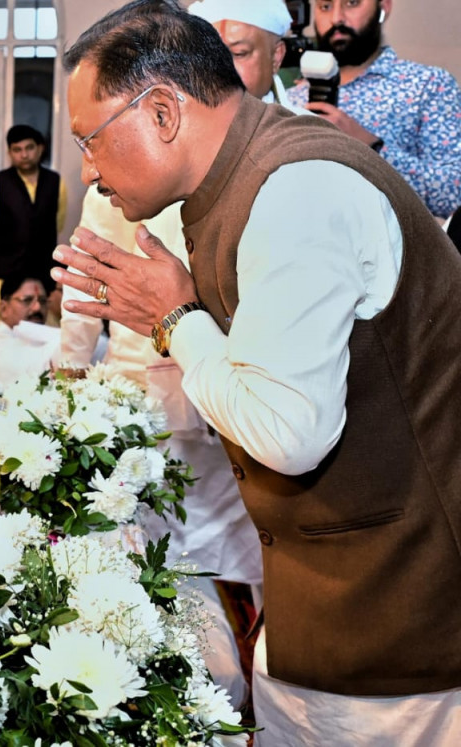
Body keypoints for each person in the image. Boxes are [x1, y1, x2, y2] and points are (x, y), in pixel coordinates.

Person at [55, 2, 461, 743]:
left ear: (163, 112)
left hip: (398, 625)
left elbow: (289, 433)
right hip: (324, 597)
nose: (87, 168)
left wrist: (175, 319)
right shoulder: (248, 173)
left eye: (91, 139)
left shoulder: (296, 189)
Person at [62, 189, 260, 708]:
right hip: (138, 386)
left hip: (216, 372)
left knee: (215, 529)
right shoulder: (108, 186)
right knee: (157, 533)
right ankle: (190, 678)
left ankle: (232, 670)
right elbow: (83, 277)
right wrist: (72, 370)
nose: (91, 171)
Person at [286, 0, 461, 218]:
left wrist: (372, 148)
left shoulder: (428, 84)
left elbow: (453, 194)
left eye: (352, 3)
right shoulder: (291, 98)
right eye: (325, 6)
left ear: (383, 7)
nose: (337, 18)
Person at [0, 124, 67, 294]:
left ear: (40, 149)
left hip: (44, 268)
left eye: (29, 148)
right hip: (7, 269)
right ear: (10, 153)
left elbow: (59, 222)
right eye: (17, 150)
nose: (24, 155)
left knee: (41, 309)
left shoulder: (55, 181)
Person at [189, 0, 308, 113]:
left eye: (239, 53)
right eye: (210, 55)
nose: (220, 71)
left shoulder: (305, 127)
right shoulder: (182, 124)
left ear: (276, 56)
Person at [0, 274, 60, 392]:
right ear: (4, 308)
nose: (37, 307)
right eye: (27, 300)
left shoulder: (37, 338)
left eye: (42, 301)